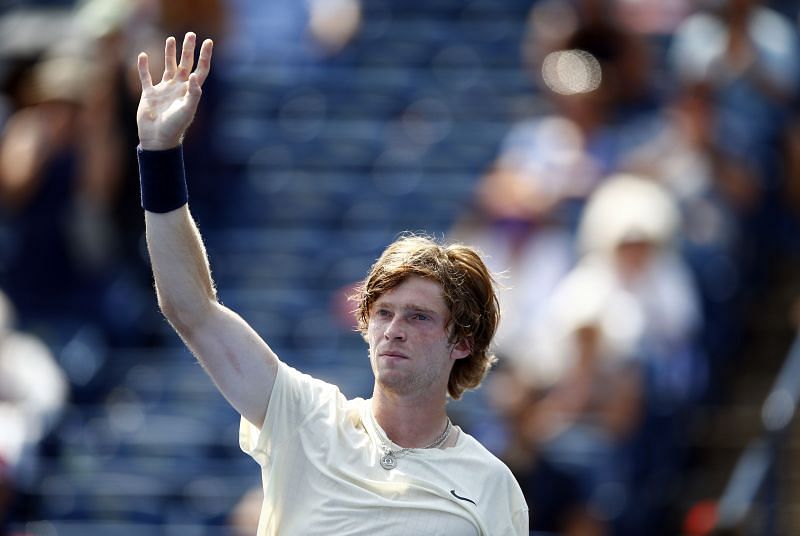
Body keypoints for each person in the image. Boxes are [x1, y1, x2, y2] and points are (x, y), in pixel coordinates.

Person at [135, 32, 528, 535]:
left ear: (463, 342)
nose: (394, 329)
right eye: (383, 313)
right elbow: (192, 307)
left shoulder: (492, 486)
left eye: (419, 316)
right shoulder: (304, 416)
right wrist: (160, 154)